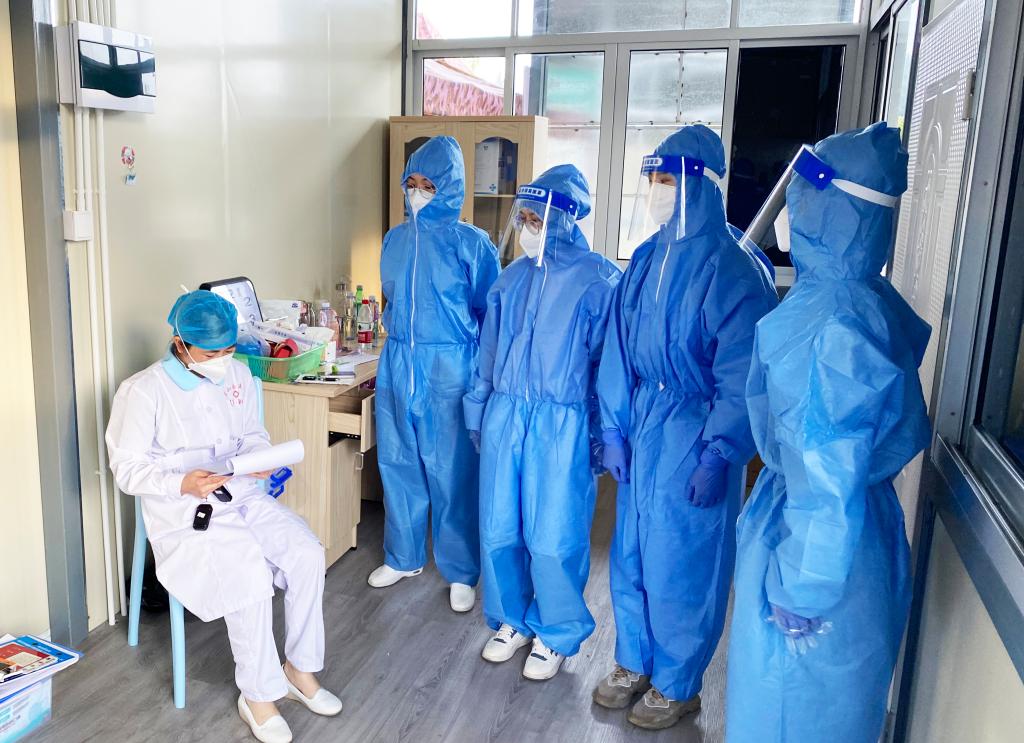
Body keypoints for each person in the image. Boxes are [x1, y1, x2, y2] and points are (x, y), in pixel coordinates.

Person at [725, 124, 930, 743]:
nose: (789, 212)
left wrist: (802, 587)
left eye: (801, 198)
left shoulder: (828, 328)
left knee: (787, 712)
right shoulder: (864, 298)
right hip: (857, 536)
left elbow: (824, 470)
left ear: (828, 209)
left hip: (815, 545)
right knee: (839, 709)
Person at [593, 125, 778, 730]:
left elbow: (744, 372)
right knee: (632, 551)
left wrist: (720, 451)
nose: (657, 189)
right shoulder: (646, 258)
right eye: (652, 177)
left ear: (701, 185)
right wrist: (613, 429)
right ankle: (634, 661)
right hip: (645, 420)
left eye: (668, 179)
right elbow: (619, 349)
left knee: (683, 560)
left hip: (695, 430)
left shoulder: (734, 268)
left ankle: (677, 682)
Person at [106, 291, 341, 743]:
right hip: (184, 510)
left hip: (242, 492)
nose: (222, 360)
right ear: (180, 343)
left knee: (306, 553)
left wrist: (261, 460)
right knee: (248, 576)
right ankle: (258, 697)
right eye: (211, 352)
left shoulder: (237, 374)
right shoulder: (142, 391)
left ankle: (299, 670)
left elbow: (252, 435)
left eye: (229, 349)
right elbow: (127, 469)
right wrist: (182, 483)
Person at [464, 165, 621, 681]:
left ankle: (554, 631)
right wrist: (478, 411)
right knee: (498, 526)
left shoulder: (597, 280)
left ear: (565, 220)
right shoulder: (511, 279)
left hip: (562, 422)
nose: (527, 228)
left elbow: (609, 366)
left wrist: (605, 431)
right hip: (507, 414)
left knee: (554, 534)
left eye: (537, 219)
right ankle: (511, 619)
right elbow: (487, 355)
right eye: (524, 218)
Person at [371, 136, 500, 612]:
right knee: (398, 462)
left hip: (449, 366)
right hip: (398, 361)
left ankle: (461, 570)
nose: (418, 192)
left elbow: (488, 313)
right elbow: (393, 298)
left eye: (429, 185)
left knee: (452, 470)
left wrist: (481, 377)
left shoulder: (473, 243)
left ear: (450, 187)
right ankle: (403, 556)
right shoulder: (395, 239)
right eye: (412, 183)